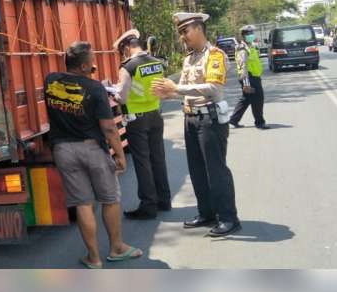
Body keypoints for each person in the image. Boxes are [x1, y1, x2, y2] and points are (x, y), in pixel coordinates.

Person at [44, 41, 143, 268]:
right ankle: (117, 248)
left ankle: (94, 257)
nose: (94, 65)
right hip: (92, 149)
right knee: (109, 198)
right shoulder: (95, 88)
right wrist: (119, 154)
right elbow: (109, 128)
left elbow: (72, 85)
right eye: (91, 63)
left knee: (83, 203)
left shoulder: (50, 81)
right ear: (84, 66)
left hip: (63, 151)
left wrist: (85, 72)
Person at [151, 12, 241, 237]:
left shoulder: (216, 55)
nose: (182, 37)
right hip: (191, 118)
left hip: (210, 119)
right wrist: (165, 94)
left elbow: (212, 88)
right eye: (180, 33)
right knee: (197, 170)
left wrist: (175, 89)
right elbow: (181, 92)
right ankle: (206, 213)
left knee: (216, 170)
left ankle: (229, 218)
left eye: (185, 31)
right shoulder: (189, 58)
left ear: (199, 29)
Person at [111, 29, 171, 219]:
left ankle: (148, 205)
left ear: (127, 47)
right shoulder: (157, 62)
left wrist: (111, 91)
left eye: (123, 51)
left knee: (143, 162)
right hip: (155, 114)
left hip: (136, 120)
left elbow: (121, 97)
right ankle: (164, 200)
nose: (124, 54)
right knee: (158, 158)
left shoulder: (128, 67)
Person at [229, 24, 268, 130]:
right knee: (258, 99)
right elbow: (243, 66)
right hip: (249, 77)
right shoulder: (243, 48)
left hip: (254, 76)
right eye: (248, 33)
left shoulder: (251, 46)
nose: (251, 35)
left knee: (246, 99)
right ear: (243, 36)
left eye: (252, 33)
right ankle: (260, 122)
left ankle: (234, 119)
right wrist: (246, 84)